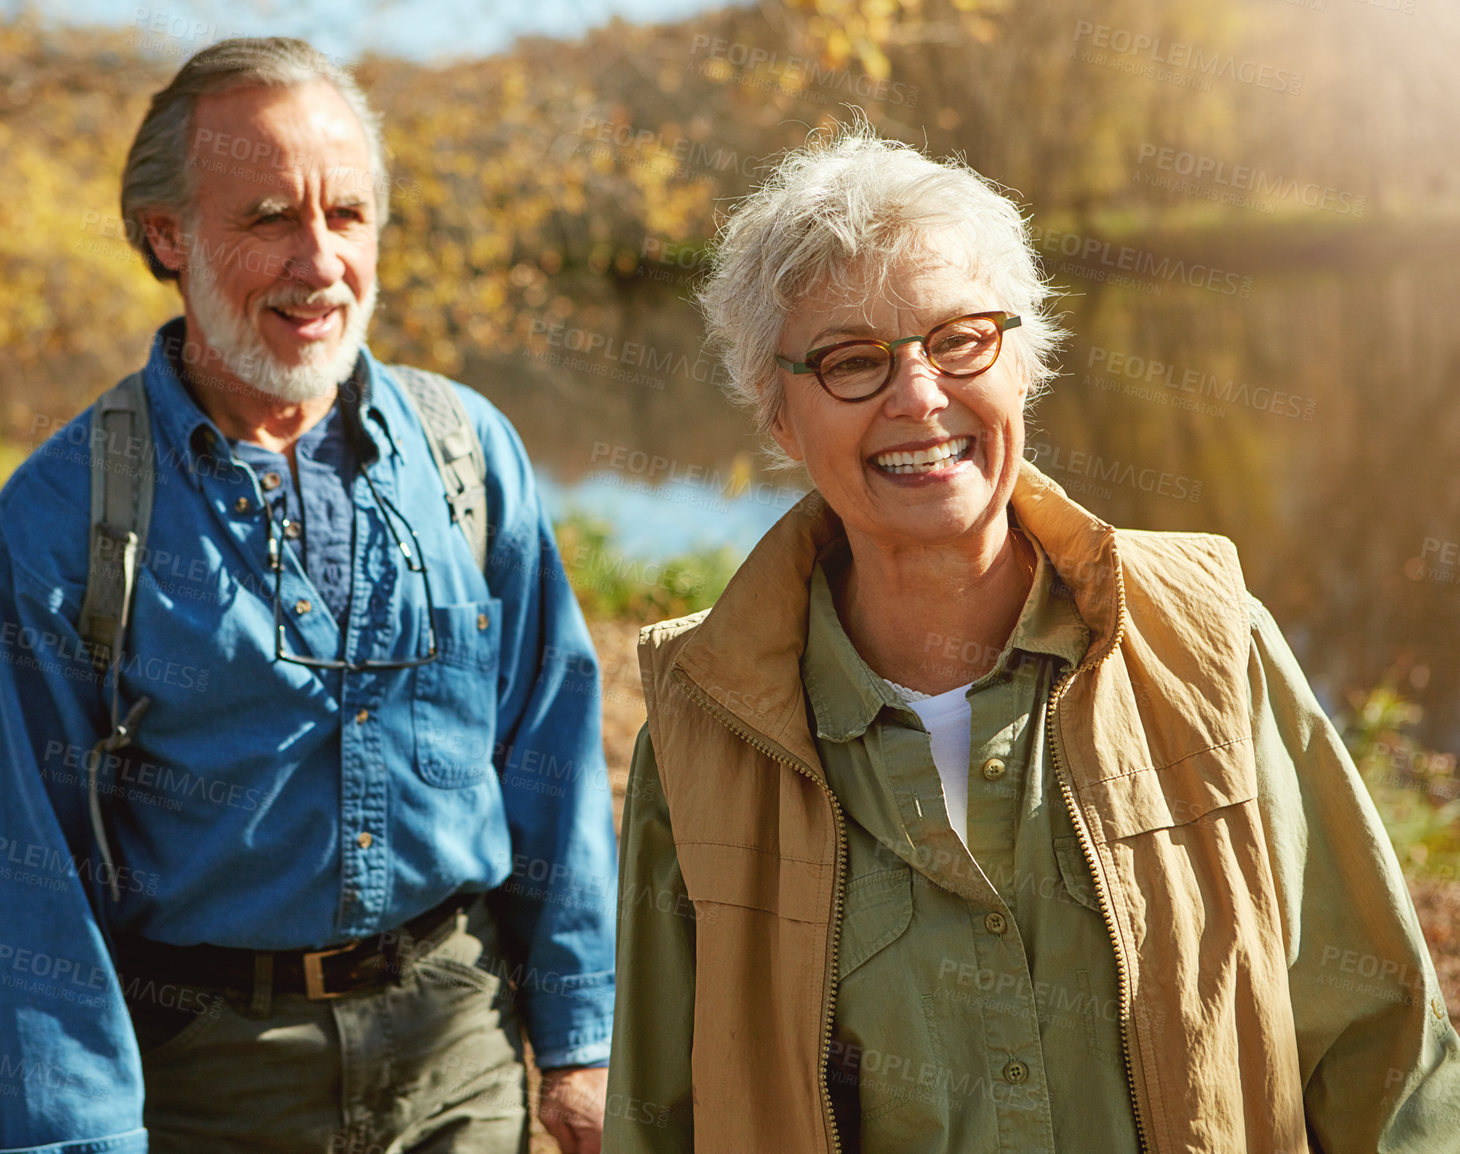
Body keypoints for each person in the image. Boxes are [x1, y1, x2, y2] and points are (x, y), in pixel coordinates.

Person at [604, 127, 1460, 1153]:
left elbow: (1385, 1052)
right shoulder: (707, 726)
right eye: (849, 360)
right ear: (778, 414)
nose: (917, 394)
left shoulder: (1205, 640)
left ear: (1024, 360)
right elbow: (661, 1112)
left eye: (960, 338)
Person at [0, 38, 614, 1154]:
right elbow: (37, 873)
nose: (320, 262)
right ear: (166, 235)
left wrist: (582, 1040)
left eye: (348, 215)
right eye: (268, 216)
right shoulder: (59, 516)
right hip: (209, 1075)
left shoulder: (470, 453)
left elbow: (550, 761)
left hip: (459, 1046)